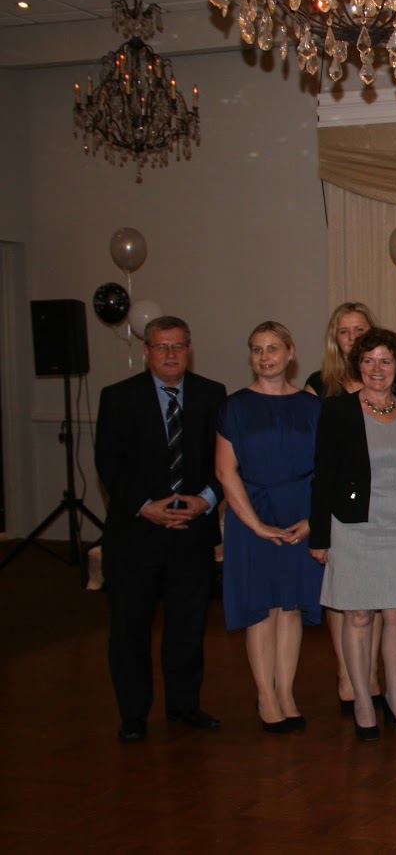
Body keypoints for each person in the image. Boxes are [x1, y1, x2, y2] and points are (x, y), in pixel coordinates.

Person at [96, 316, 227, 742]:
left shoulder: (212, 394)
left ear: (189, 349)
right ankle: (134, 714)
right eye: (161, 347)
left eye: (178, 346)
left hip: (192, 530)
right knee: (130, 626)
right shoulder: (118, 397)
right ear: (146, 351)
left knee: (188, 625)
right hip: (136, 535)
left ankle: (184, 705)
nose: (170, 354)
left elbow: (225, 461)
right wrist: (144, 507)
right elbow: (109, 464)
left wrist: (205, 500)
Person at [310, 328, 396, 742]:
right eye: (368, 360)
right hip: (352, 527)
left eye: (385, 361)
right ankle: (363, 701)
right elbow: (323, 477)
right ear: (357, 365)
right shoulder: (338, 411)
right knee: (359, 616)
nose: (376, 369)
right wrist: (320, 537)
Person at [215, 322, 324, 733]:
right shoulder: (234, 407)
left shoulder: (313, 407)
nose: (265, 357)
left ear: (290, 352)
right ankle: (266, 695)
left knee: (290, 607)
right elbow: (225, 472)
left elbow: (327, 470)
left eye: (273, 348)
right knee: (261, 609)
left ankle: (287, 693)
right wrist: (257, 525)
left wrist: (312, 521)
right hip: (252, 514)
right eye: (257, 349)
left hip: (300, 514)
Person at [304, 301, 388, 713]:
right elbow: (313, 458)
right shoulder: (319, 386)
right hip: (340, 508)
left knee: (376, 595)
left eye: (360, 330)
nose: (353, 338)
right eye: (344, 331)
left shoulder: (390, 379)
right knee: (344, 595)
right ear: (334, 340)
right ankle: (346, 674)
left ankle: (369, 675)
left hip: (385, 505)